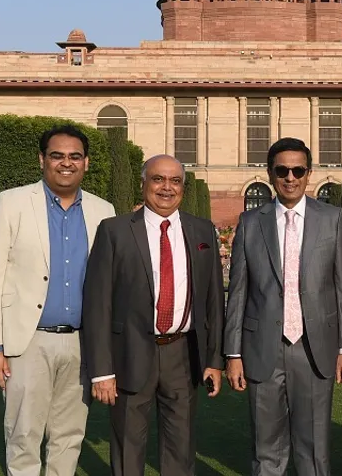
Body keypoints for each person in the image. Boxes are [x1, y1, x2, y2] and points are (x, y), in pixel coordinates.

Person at [0, 124, 116, 476]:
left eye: (74, 156)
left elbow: (112, 284)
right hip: (27, 342)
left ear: (86, 163)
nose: (66, 163)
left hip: (83, 343)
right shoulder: (11, 203)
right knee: (23, 434)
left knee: (69, 435)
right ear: (42, 160)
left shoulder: (104, 211)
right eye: (57, 155)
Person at [81, 154, 225, 476]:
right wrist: (102, 371)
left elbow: (214, 300)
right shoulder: (114, 231)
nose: (167, 188)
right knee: (128, 447)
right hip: (130, 352)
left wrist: (214, 359)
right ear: (143, 183)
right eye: (159, 179)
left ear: (183, 188)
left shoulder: (202, 231)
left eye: (175, 181)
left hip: (183, 354)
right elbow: (97, 304)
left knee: (181, 447)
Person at [224, 138, 342, 476]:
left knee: (314, 451)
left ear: (309, 174)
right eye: (282, 170)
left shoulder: (332, 218)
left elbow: (341, 288)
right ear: (270, 173)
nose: (290, 177)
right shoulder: (251, 222)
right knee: (266, 451)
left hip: (314, 348)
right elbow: (238, 291)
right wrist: (232, 354)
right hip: (262, 346)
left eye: (298, 170)